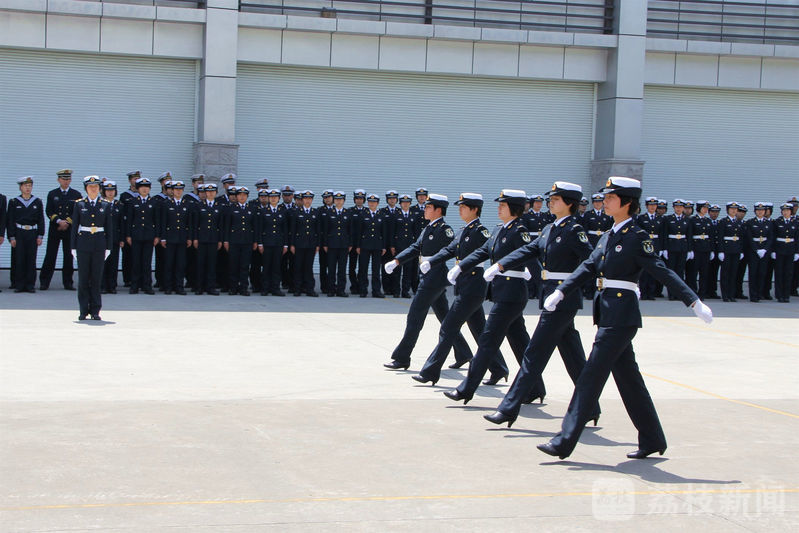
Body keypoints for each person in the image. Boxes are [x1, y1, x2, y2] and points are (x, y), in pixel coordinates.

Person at [536, 177, 713, 461]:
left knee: (590, 378)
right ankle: (652, 438)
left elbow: (661, 270)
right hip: (607, 314)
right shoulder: (609, 235)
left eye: (610, 197)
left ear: (627, 202)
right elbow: (587, 267)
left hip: (621, 317)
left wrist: (692, 300)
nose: (604, 201)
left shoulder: (636, 237)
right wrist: (561, 291)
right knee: (629, 381)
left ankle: (564, 440)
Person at [482, 182, 598, 428]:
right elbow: (528, 250)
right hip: (551, 295)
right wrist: (500, 265)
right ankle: (590, 406)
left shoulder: (574, 230)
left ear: (569, 203)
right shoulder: (548, 229)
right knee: (574, 355)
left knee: (534, 353)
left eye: (556, 199)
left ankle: (508, 407)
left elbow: (592, 261)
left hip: (562, 299)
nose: (550, 202)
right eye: (551, 199)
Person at [442, 189, 533, 404]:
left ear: (515, 208)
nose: (499, 208)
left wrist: (551, 287)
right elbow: (482, 251)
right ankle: (535, 387)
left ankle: (467, 388)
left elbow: (530, 257)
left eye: (503, 205)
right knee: (521, 343)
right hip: (502, 292)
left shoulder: (519, 231)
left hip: (513, 293)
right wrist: (461, 266)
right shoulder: (499, 229)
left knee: (487, 341)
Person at [410, 193, 503, 384]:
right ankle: (499, 367)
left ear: (475, 209)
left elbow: (489, 253)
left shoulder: (481, 232)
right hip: (464, 285)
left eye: (464, 207)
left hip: (474, 285)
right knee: (481, 331)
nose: (460, 210)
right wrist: (432, 262)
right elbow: (448, 250)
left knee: (448, 327)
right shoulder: (462, 231)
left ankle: (429, 372)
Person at [382, 193, 472, 370]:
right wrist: (397, 261)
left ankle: (402, 357)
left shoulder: (444, 230)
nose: (425, 209)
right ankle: (463, 353)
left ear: (438, 210)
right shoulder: (428, 228)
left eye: (429, 207)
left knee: (415, 315)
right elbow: (416, 247)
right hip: (429, 276)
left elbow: (453, 250)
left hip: (434, 277)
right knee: (446, 318)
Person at [70, 176, 112, 320]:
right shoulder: (79, 204)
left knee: (96, 278)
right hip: (83, 244)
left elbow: (109, 228)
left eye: (96, 186)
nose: (93, 189)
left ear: (100, 188)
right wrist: (73, 246)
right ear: (86, 188)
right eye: (90, 186)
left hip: (99, 244)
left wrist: (109, 247)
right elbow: (74, 226)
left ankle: (95, 310)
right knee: (83, 279)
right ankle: (83, 310)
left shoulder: (105, 205)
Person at [39, 169, 82, 290]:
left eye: (68, 179)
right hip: (55, 228)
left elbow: (77, 212)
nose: (66, 181)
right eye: (63, 179)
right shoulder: (52, 194)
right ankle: (44, 282)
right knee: (50, 255)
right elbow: (49, 211)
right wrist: (58, 221)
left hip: (69, 229)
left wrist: (67, 222)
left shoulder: (76, 194)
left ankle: (68, 282)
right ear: (58, 180)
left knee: (68, 256)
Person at [7, 176, 45, 293]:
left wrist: (40, 235)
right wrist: (11, 237)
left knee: (31, 259)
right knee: (19, 259)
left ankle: (30, 285)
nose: (28, 188)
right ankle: (19, 284)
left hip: (32, 233)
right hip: (19, 232)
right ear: (20, 187)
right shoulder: (14, 202)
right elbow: (10, 220)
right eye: (25, 186)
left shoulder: (37, 202)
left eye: (30, 186)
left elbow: (41, 220)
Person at [124, 177, 158, 295]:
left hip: (149, 236)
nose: (144, 189)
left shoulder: (154, 202)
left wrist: (157, 236)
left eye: (147, 187)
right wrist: (128, 235)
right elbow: (129, 220)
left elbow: (156, 221)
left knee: (146, 262)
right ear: (138, 189)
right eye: (142, 187)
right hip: (136, 235)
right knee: (136, 261)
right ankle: (135, 285)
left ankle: (147, 285)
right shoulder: (133, 202)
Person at [159, 180, 191, 295]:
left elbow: (189, 223)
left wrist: (189, 238)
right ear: (172, 191)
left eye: (180, 189)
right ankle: (168, 286)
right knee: (169, 263)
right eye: (176, 189)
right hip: (170, 238)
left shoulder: (187, 204)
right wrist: (163, 237)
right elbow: (163, 222)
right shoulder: (166, 204)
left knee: (180, 264)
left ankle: (179, 286)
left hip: (182, 238)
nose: (178, 191)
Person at [224, 186, 257, 295]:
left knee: (245, 265)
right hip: (234, 241)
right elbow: (227, 226)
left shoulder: (251, 208)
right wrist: (226, 241)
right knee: (233, 265)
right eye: (240, 195)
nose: (242, 197)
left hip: (247, 241)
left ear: (247, 196)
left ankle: (243, 287)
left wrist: (255, 241)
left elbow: (254, 227)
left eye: (244, 195)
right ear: (236, 196)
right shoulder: (231, 209)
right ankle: (233, 287)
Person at [192, 183, 224, 295]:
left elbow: (221, 226)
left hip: (214, 239)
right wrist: (195, 238)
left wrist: (220, 240)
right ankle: (199, 287)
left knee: (212, 264)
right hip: (201, 239)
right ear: (205, 193)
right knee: (200, 264)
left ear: (216, 193)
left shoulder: (219, 206)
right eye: (208, 192)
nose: (210, 193)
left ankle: (210, 287)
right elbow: (195, 224)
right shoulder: (199, 206)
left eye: (212, 192)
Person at [256, 188, 288, 296]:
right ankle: (265, 288)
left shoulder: (283, 211)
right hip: (266, 243)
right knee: (266, 266)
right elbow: (259, 229)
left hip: (278, 244)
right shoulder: (263, 211)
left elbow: (285, 230)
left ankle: (275, 288)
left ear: (279, 199)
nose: (273, 199)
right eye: (272, 197)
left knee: (276, 267)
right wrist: (260, 243)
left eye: (275, 197)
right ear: (269, 199)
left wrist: (285, 244)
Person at [356, 193, 388, 298]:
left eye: (374, 202)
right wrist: (358, 245)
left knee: (376, 269)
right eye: (370, 202)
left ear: (378, 203)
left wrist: (384, 246)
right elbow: (359, 231)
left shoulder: (382, 215)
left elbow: (384, 232)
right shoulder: (362, 214)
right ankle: (363, 290)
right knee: (363, 269)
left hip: (377, 246)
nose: (372, 204)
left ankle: (376, 291)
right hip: (365, 245)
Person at [320, 191, 352, 297]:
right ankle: (331, 289)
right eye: (337, 200)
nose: (338, 201)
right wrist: (325, 244)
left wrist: (350, 244)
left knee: (342, 269)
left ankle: (341, 290)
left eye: (341, 200)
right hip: (332, 245)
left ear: (344, 201)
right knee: (331, 268)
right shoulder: (329, 213)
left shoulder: (348, 213)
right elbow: (325, 230)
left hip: (344, 245)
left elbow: (350, 231)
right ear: (334, 200)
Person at [290, 190, 320, 297]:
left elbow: (318, 230)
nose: (307, 201)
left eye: (309, 199)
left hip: (311, 244)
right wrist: (292, 244)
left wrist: (317, 245)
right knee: (298, 267)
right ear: (302, 200)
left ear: (312, 200)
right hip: (299, 244)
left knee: (308, 267)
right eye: (305, 199)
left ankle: (309, 289)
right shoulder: (296, 212)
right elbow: (293, 230)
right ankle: (297, 289)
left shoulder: (315, 212)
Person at [660, 199, 692, 298]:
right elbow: (664, 234)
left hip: (682, 248)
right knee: (671, 272)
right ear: (673, 208)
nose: (678, 209)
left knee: (680, 271)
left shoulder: (687, 219)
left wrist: (689, 250)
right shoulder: (668, 219)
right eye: (676, 207)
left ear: (683, 208)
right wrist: (664, 248)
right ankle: (671, 294)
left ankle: (680, 293)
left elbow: (689, 235)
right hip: (671, 247)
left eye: (680, 207)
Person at [717, 201, 744, 302]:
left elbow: (741, 238)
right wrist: (720, 251)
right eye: (731, 209)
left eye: (735, 209)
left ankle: (731, 295)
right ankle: (725, 295)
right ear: (728, 210)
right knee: (725, 273)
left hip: (736, 250)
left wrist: (741, 251)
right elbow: (720, 237)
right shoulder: (723, 222)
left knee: (734, 273)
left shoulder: (738, 222)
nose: (733, 211)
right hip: (726, 250)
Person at [392, 194, 418, 298]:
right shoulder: (396, 215)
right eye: (403, 203)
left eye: (407, 203)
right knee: (397, 270)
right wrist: (392, 245)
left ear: (410, 204)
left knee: (408, 270)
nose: (405, 204)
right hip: (398, 246)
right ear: (400, 204)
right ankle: (396, 291)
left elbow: (416, 232)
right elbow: (392, 232)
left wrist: (416, 246)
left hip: (410, 246)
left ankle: (405, 291)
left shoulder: (414, 215)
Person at [636, 197, 662, 300]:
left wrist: (662, 248)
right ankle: (643, 292)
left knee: (653, 269)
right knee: (644, 270)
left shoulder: (661, 218)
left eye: (654, 205)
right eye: (650, 205)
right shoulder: (641, 218)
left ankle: (651, 293)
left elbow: (662, 234)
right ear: (646, 206)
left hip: (655, 245)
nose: (652, 207)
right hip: (645, 245)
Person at [772, 203, 799, 303]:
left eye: (787, 210)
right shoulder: (777, 222)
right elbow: (773, 237)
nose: (785, 212)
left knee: (788, 273)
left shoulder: (795, 222)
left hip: (790, 250)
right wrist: (773, 250)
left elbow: (797, 238)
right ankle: (779, 295)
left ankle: (786, 295)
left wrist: (797, 252)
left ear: (791, 212)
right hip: (779, 249)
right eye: (784, 210)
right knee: (779, 273)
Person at [687, 200, 714, 300]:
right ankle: (693, 292)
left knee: (704, 272)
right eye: (704, 208)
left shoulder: (708, 221)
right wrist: (690, 249)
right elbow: (689, 235)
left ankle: (702, 292)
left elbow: (711, 236)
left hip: (706, 249)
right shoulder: (692, 220)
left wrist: (711, 250)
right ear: (699, 208)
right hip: (696, 248)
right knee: (693, 272)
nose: (705, 210)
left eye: (707, 208)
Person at [118, 170, 141, 287]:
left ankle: (138, 279)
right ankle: (127, 279)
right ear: (129, 180)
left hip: (139, 230)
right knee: (127, 255)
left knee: (139, 256)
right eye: (134, 178)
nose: (136, 181)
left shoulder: (143, 195)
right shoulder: (124, 196)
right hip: (128, 229)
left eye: (138, 178)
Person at [100, 180, 122, 294]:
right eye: (107, 190)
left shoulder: (119, 205)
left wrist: (122, 239)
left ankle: (112, 286)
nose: (110, 193)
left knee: (114, 262)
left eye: (112, 190)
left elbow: (122, 224)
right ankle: (102, 285)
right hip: (102, 238)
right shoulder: (100, 204)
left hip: (115, 238)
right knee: (103, 262)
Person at [346, 189, 367, 294]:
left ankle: (362, 285)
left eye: (361, 198)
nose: (359, 200)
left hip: (364, 244)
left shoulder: (367, 211)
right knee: (352, 266)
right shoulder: (349, 211)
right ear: (354, 200)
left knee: (363, 266)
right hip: (353, 244)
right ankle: (354, 285)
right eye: (357, 198)